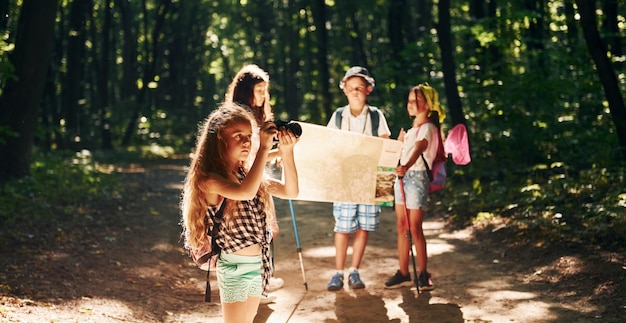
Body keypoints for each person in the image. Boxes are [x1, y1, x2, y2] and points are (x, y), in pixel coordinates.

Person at [180, 103, 299, 323]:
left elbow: (290, 191)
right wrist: (264, 149)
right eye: (237, 135)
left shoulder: (246, 174)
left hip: (258, 264)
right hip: (233, 266)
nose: (246, 141)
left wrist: (287, 152)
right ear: (219, 140)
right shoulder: (209, 179)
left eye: (248, 136)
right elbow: (244, 193)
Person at [325, 66, 391, 291]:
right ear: (344, 90)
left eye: (359, 88)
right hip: (344, 180)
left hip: (370, 179)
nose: (355, 92)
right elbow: (329, 146)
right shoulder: (338, 115)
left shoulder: (375, 115)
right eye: (350, 87)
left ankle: (354, 271)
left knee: (364, 226)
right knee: (343, 226)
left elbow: (386, 145)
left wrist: (385, 181)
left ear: (368, 90)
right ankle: (338, 272)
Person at [224, 64, 284, 303]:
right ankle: (256, 288)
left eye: (265, 91)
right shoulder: (237, 118)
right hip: (243, 179)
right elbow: (249, 157)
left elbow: (258, 155)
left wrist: (278, 152)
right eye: (259, 90)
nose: (263, 96)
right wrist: (275, 153)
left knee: (267, 230)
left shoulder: (259, 116)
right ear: (246, 91)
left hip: (258, 178)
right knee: (256, 231)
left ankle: (263, 281)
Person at [384, 83, 445, 291]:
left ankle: (423, 273)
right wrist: (399, 144)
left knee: (415, 227)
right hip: (402, 178)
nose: (410, 104)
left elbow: (420, 148)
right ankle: (403, 272)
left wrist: (405, 165)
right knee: (402, 226)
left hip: (417, 178)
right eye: (409, 100)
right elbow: (404, 151)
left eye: (415, 101)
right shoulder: (411, 130)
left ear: (427, 104)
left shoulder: (429, 127)